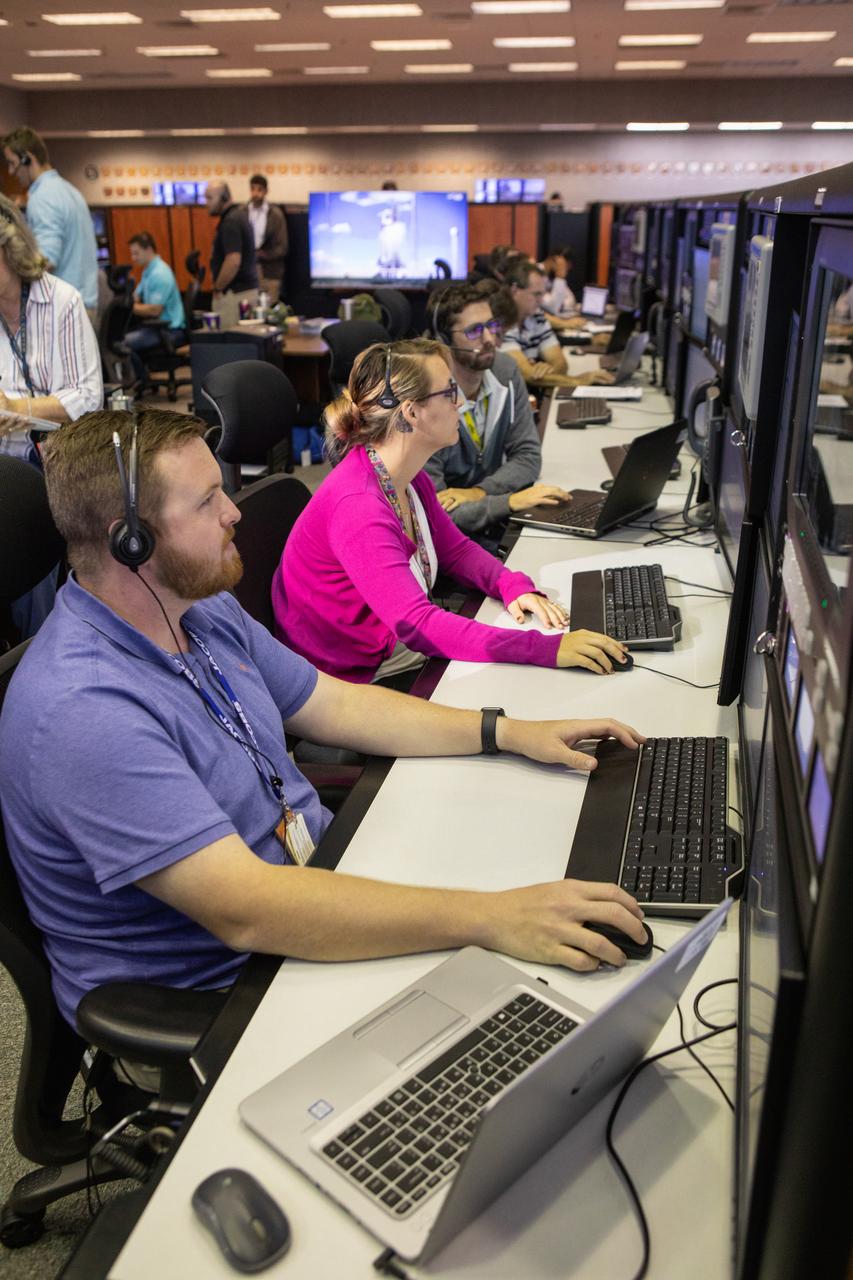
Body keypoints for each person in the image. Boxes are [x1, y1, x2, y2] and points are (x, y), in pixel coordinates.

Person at [0, 406, 648, 1030]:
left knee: (530, 864)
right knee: (546, 1002)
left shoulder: (194, 608)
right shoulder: (82, 710)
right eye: (206, 501)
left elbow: (334, 704)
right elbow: (245, 910)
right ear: (130, 542)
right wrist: (490, 917)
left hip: (313, 889)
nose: (232, 512)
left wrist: (504, 732)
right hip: (231, 991)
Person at [273, 339, 628, 683]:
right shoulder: (359, 507)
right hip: (354, 676)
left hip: (394, 644)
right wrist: (546, 648)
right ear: (411, 412)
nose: (460, 402)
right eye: (449, 392)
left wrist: (512, 585)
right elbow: (418, 624)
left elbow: (455, 551)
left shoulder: (407, 476)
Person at [424, 284, 570, 545]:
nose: (489, 339)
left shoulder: (505, 371)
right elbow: (437, 514)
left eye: (491, 326)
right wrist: (509, 501)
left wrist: (480, 492)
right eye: (474, 331)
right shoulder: (427, 397)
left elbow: (528, 456)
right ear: (444, 340)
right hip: (447, 546)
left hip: (492, 527)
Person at [0, 193, 102, 427]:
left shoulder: (63, 301)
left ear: (12, 248)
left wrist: (15, 408)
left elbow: (87, 397)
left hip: (53, 446)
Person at [1, 126, 99, 321]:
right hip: (83, 304)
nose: (11, 172)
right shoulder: (70, 191)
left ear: (27, 158)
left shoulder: (42, 197)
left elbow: (45, 260)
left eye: (12, 163)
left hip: (62, 310)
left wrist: (11, 282)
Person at [501, 259, 614, 390]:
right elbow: (527, 375)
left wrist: (546, 370)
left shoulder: (537, 317)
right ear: (514, 291)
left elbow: (561, 364)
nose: (541, 300)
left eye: (542, 294)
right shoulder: (500, 324)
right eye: (536, 294)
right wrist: (579, 380)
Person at [124, 232, 187, 388]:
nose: (133, 258)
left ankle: (142, 380)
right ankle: (143, 378)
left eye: (136, 253)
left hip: (169, 331)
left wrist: (127, 306)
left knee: (123, 343)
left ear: (149, 249)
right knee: (122, 339)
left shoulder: (160, 274)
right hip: (157, 328)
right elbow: (135, 297)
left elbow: (154, 310)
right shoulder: (148, 271)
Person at [205, 179, 258, 328]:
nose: (206, 203)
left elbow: (233, 260)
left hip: (234, 295)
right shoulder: (238, 215)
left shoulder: (231, 221)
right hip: (244, 292)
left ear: (224, 198)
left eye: (210, 198)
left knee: (230, 339)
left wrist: (218, 287)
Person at [246, 174, 288, 304]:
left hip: (270, 270)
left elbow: (282, 247)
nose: (255, 193)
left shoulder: (275, 214)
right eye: (253, 189)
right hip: (247, 270)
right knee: (249, 309)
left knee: (269, 308)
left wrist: (263, 254)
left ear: (265, 191)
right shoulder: (243, 212)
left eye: (259, 190)